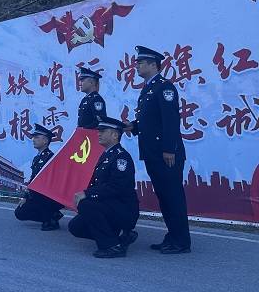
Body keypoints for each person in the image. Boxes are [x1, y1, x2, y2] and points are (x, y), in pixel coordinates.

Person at [123, 45, 191, 254]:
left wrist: (169, 149)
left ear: (153, 65)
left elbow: (170, 121)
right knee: (164, 196)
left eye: (140, 63)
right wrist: (133, 126)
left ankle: (181, 242)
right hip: (153, 153)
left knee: (173, 197)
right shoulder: (148, 89)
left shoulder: (164, 88)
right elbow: (151, 120)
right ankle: (172, 236)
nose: (137, 66)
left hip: (166, 154)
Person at [68, 116, 139, 258]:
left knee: (86, 204)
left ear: (115, 135)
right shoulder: (107, 155)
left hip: (124, 209)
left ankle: (112, 246)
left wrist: (87, 194)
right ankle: (119, 236)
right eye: (99, 131)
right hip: (110, 206)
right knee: (75, 227)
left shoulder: (121, 157)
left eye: (103, 131)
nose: (98, 134)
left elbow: (116, 187)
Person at [14, 123, 63, 231]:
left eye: (36, 137)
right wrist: (25, 197)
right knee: (19, 213)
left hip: (48, 196)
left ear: (45, 141)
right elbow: (33, 179)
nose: (33, 140)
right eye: (33, 137)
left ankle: (49, 219)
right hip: (37, 195)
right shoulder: (36, 158)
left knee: (39, 197)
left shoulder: (51, 158)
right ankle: (52, 215)